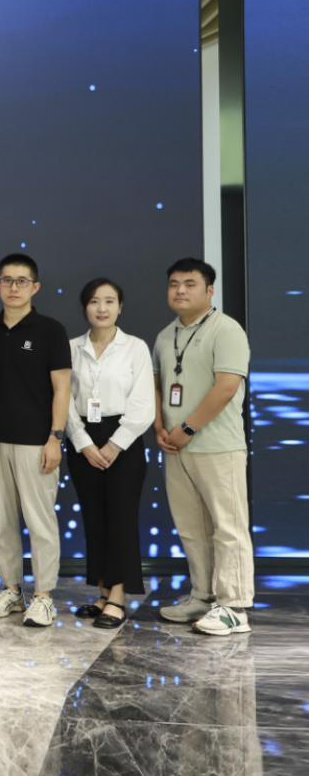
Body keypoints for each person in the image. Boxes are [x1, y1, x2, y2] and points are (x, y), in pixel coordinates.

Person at [152, 257, 254, 636]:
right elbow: (158, 384)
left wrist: (188, 428)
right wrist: (160, 426)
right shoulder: (166, 336)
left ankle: (235, 605)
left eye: (190, 284)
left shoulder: (226, 330)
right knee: (192, 528)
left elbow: (226, 387)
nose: (180, 290)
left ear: (209, 291)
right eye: (174, 284)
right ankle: (203, 595)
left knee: (228, 527)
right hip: (176, 448)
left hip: (217, 446)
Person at [0, 253, 71, 627]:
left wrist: (55, 437)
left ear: (35, 287)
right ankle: (12, 590)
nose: (13, 287)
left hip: (36, 442)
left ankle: (43, 596)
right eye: (7, 280)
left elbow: (62, 388)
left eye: (21, 281)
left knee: (40, 521)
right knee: (1, 521)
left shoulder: (50, 330)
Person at [64, 278, 154, 629]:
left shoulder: (135, 347)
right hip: (83, 440)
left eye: (109, 301)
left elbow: (144, 402)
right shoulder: (72, 348)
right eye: (94, 301)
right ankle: (102, 593)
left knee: (120, 518)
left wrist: (116, 443)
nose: (101, 308)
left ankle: (118, 596)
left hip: (124, 441)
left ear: (120, 307)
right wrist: (83, 442)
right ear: (84, 307)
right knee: (94, 517)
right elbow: (63, 399)